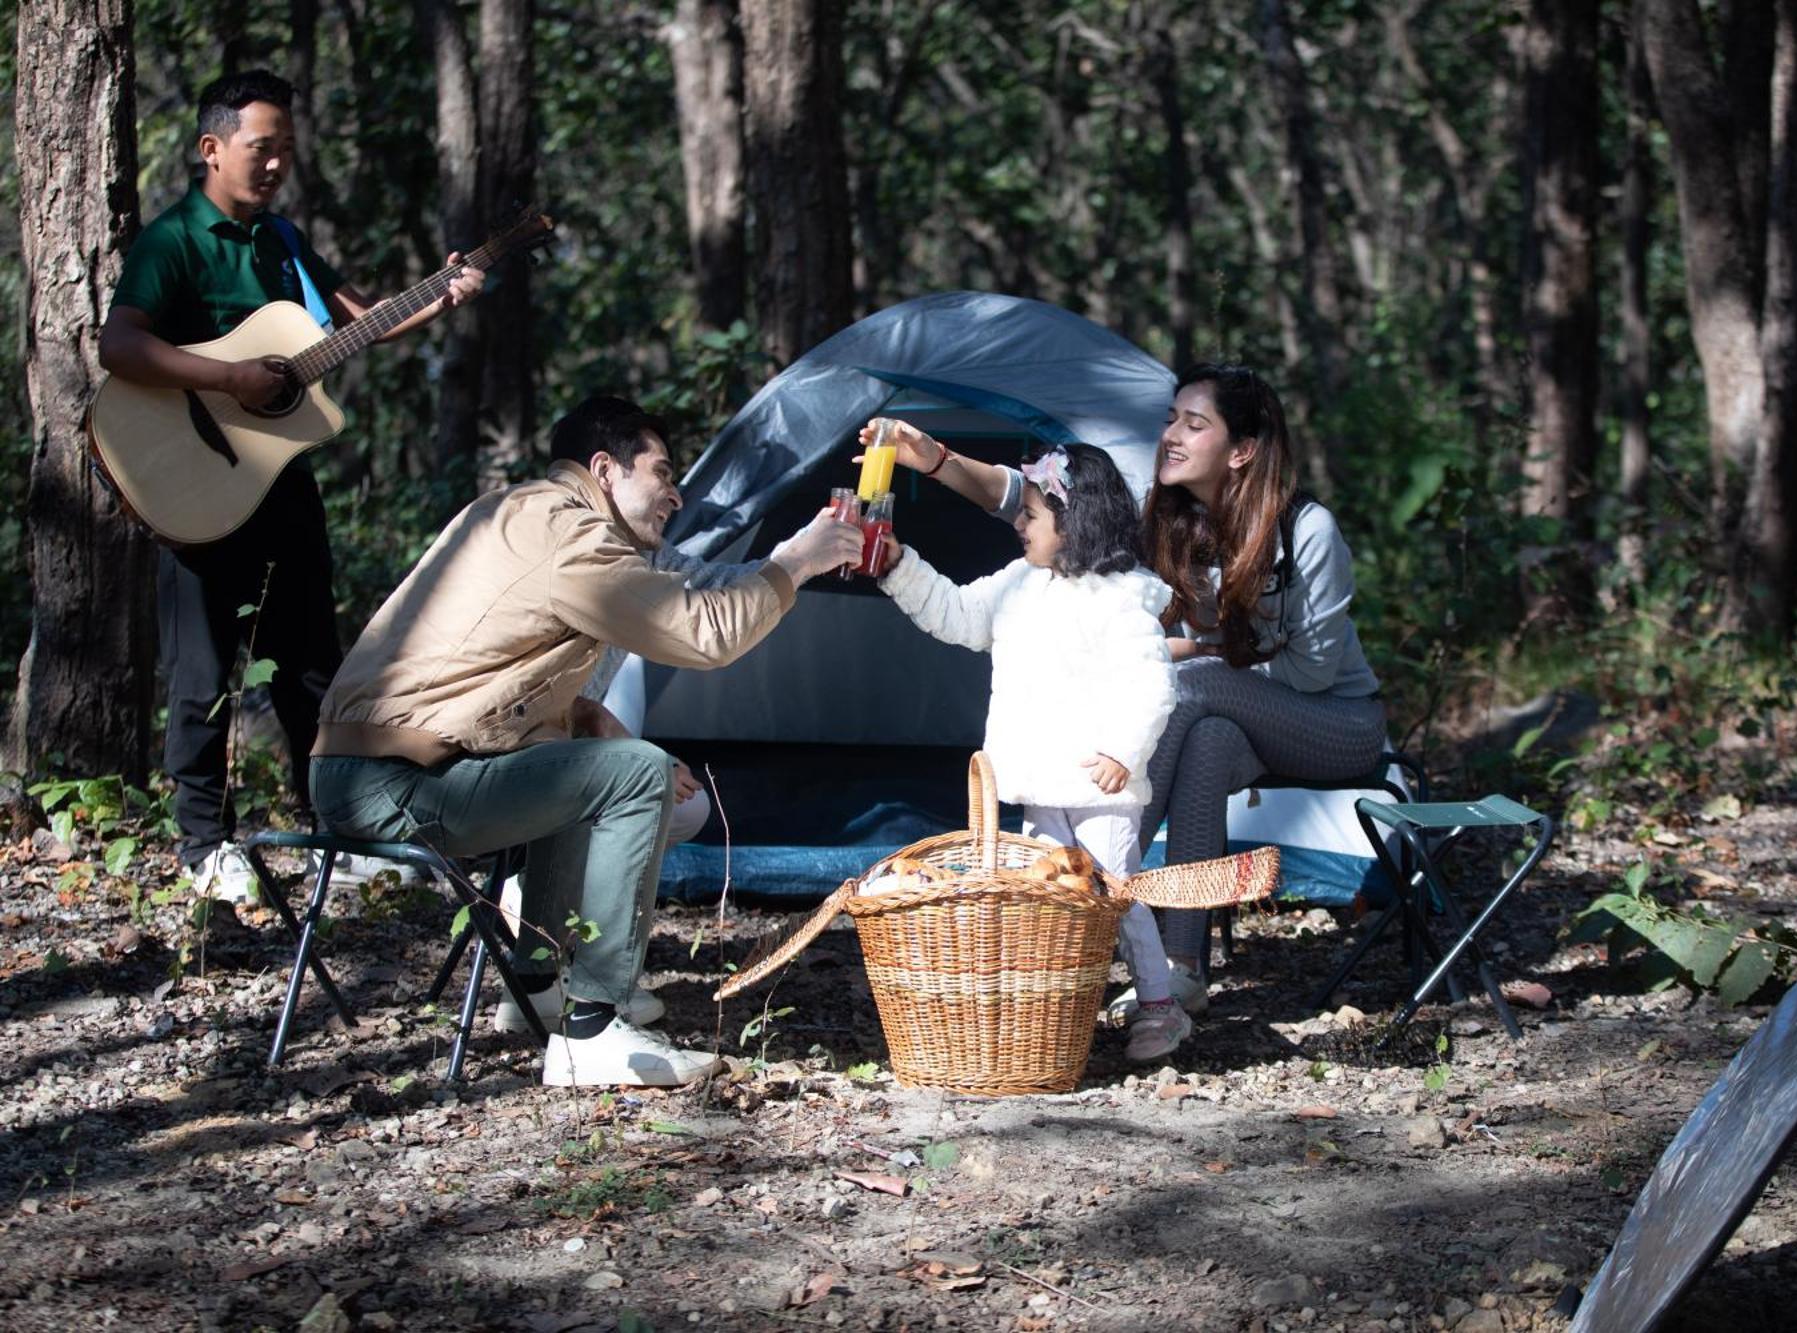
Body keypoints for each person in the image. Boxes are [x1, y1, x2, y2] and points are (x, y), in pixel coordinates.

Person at [310, 396, 861, 1087]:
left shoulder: (515, 512)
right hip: (402, 777)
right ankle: (594, 1027)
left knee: (585, 765)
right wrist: (794, 562)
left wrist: (579, 712)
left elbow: (477, 662)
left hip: (365, 765)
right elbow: (702, 631)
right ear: (604, 469)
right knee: (638, 772)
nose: (675, 492)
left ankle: (537, 985)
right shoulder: (568, 532)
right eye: (661, 471)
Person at [868, 361, 1386, 1017]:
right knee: (1208, 741)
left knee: (1186, 687)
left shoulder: (1307, 530)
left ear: (1243, 450)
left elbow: (1310, 673)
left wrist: (1196, 649)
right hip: (1240, 721)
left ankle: (1091, 891)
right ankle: (1178, 968)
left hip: (1336, 724)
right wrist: (934, 458)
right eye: (1172, 417)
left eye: (1194, 424)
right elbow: (1038, 502)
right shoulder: (1175, 516)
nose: (1171, 433)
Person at [97, 69, 485, 905]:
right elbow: (119, 348)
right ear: (211, 149)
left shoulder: (280, 238)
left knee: (310, 664)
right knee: (204, 672)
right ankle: (204, 846)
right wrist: (230, 375)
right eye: (259, 147)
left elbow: (360, 317)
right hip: (192, 484)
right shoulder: (176, 241)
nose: (275, 164)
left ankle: (335, 834)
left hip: (278, 480)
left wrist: (443, 294)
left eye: (286, 151)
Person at [865, 434, 1190, 1062]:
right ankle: (1055, 1005)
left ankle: (1159, 1004)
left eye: (1032, 513)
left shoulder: (1121, 598)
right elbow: (956, 614)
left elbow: (1152, 683)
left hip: (1100, 789)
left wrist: (1123, 751)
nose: (1019, 521)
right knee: (1048, 902)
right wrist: (898, 565)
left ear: (1073, 524)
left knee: (1115, 895)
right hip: (1041, 785)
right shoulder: (1020, 585)